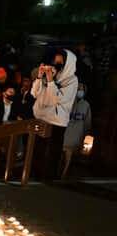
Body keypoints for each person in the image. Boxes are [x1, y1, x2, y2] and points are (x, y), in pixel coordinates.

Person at [31, 49, 78, 181]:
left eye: (59, 63)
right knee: (38, 150)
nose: (55, 66)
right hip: (41, 117)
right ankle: (35, 176)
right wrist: (40, 77)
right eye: (54, 62)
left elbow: (55, 99)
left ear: (67, 64)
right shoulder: (51, 74)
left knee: (52, 152)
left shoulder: (72, 81)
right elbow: (34, 93)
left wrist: (51, 81)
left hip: (57, 122)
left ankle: (49, 179)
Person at [62, 83, 92, 178]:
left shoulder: (86, 105)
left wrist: (85, 135)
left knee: (70, 157)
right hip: (66, 134)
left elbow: (87, 122)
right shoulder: (69, 102)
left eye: (81, 89)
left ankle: (64, 175)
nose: (79, 91)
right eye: (78, 88)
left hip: (76, 135)